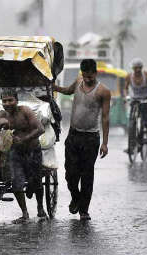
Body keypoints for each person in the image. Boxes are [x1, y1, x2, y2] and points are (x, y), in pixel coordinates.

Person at [53, 59, 111, 221]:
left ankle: (84, 210)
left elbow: (106, 118)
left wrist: (105, 143)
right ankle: (76, 197)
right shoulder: (78, 81)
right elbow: (67, 91)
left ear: (96, 73)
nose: (87, 79)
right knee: (70, 174)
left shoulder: (103, 92)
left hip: (91, 138)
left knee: (87, 175)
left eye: (90, 77)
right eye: (85, 76)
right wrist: (55, 87)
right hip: (73, 136)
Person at [0, 89, 45, 222]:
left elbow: (40, 129)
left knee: (36, 182)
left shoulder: (25, 111)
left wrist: (24, 139)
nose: (7, 103)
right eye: (4, 101)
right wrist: (0, 123)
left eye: (10, 100)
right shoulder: (1, 114)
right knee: (16, 183)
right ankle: (25, 213)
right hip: (15, 152)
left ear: (17, 101)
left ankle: (40, 207)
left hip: (33, 151)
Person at [125, 58, 147, 137]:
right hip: (135, 99)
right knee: (131, 117)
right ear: (133, 68)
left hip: (146, 98)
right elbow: (125, 88)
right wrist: (127, 96)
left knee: (145, 113)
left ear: (142, 67)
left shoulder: (146, 75)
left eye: (139, 67)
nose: (138, 70)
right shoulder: (129, 76)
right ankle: (131, 141)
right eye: (136, 68)